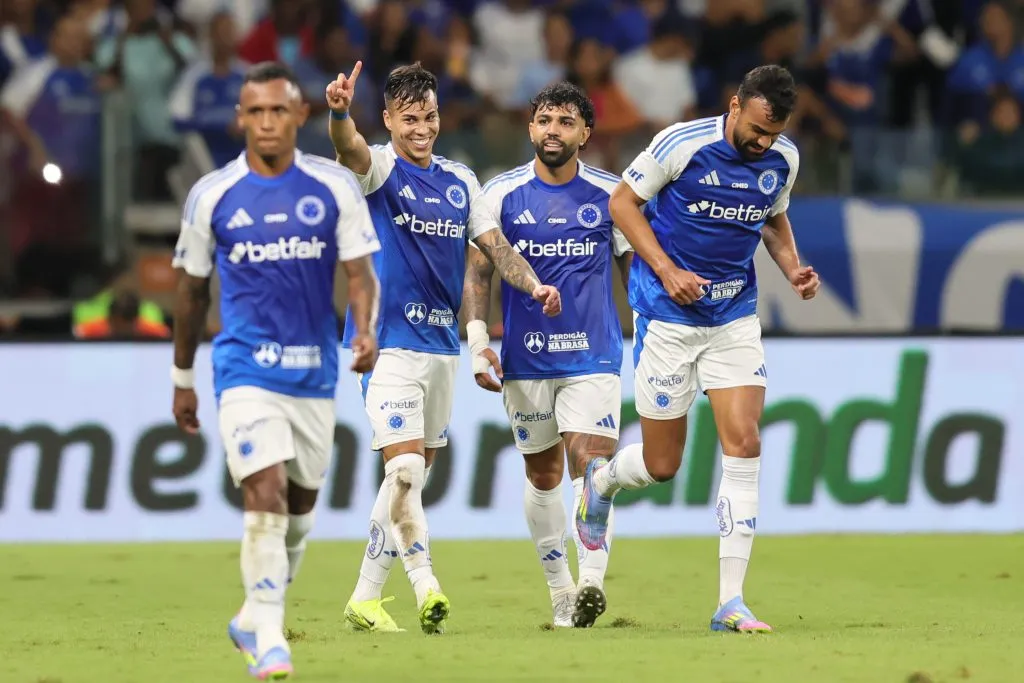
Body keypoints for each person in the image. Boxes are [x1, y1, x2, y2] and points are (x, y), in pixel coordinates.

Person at [575, 65, 821, 633]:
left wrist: (792, 269)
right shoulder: (681, 144)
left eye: (774, 133)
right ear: (735, 105)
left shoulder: (783, 158)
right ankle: (602, 482)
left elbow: (773, 217)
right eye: (756, 129)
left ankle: (730, 602)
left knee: (745, 440)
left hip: (733, 315)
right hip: (665, 316)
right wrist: (666, 270)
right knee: (663, 465)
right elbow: (621, 204)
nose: (763, 143)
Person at [326, 61, 562, 634]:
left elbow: (494, 245)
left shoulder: (460, 182)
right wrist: (337, 113)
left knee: (405, 482)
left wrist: (533, 284)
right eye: (409, 119)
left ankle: (364, 598)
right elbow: (350, 147)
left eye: (429, 116)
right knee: (404, 468)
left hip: (441, 351)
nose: (421, 128)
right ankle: (426, 586)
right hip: (388, 348)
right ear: (388, 120)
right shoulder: (380, 171)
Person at [170, 61, 381, 679]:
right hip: (244, 371)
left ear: (299, 116)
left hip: (313, 372)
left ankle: (250, 615)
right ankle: (269, 637)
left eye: (277, 111)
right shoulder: (212, 196)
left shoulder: (332, 190)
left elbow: (360, 275)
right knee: (261, 491)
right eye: (255, 111)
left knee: (299, 512)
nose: (266, 123)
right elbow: (189, 295)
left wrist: (364, 330)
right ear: (241, 118)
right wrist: (184, 379)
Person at [463, 81, 632, 628]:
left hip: (593, 356)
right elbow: (479, 270)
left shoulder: (613, 194)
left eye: (564, 121)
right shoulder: (501, 193)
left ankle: (591, 582)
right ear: (530, 128)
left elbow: (634, 270)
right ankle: (560, 590)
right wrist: (476, 341)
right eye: (543, 120)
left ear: (585, 132)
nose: (552, 130)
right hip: (526, 361)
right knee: (542, 476)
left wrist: (653, 340)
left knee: (593, 465)